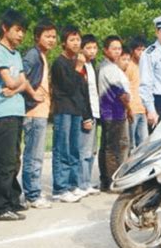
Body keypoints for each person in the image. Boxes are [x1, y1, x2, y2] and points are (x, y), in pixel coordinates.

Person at [51, 25, 93, 203]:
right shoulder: (60, 63)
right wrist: (78, 68)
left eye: (78, 39)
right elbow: (68, 87)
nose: (76, 43)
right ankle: (60, 188)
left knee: (74, 149)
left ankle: (73, 185)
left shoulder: (77, 62)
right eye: (72, 40)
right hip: (63, 110)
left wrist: (86, 114)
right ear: (63, 43)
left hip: (76, 110)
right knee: (63, 149)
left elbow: (82, 91)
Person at [0, 9, 29, 221]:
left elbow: (22, 83)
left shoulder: (16, 55)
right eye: (17, 30)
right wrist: (17, 85)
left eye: (23, 31)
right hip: (3, 113)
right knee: (4, 161)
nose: (20, 35)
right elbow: (10, 81)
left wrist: (16, 87)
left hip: (16, 110)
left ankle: (12, 199)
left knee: (15, 159)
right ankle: (0, 206)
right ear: (5, 29)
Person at [21, 19, 57, 209]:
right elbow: (22, 77)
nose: (51, 40)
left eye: (53, 36)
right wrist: (33, 94)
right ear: (37, 37)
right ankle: (32, 195)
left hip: (41, 112)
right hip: (34, 112)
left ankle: (32, 190)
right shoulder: (33, 56)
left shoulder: (41, 55)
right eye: (47, 36)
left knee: (36, 154)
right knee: (33, 155)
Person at [98, 36, 131, 192]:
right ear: (105, 50)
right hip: (113, 112)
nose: (117, 51)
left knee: (107, 147)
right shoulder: (108, 68)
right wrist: (129, 107)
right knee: (113, 149)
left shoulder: (110, 66)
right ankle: (111, 181)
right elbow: (122, 94)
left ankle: (106, 180)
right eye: (113, 48)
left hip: (111, 112)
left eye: (119, 48)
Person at [78, 34, 101, 195]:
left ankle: (86, 182)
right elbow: (80, 93)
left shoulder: (92, 64)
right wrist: (85, 115)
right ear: (82, 49)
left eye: (94, 47)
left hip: (95, 111)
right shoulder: (80, 66)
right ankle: (81, 183)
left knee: (92, 149)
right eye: (88, 48)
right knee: (84, 150)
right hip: (86, 112)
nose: (92, 51)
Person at [125, 37, 148, 150]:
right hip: (132, 109)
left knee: (144, 145)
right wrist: (127, 108)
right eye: (139, 49)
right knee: (131, 145)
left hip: (143, 110)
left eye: (144, 49)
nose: (141, 52)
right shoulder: (128, 65)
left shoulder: (146, 67)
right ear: (133, 50)